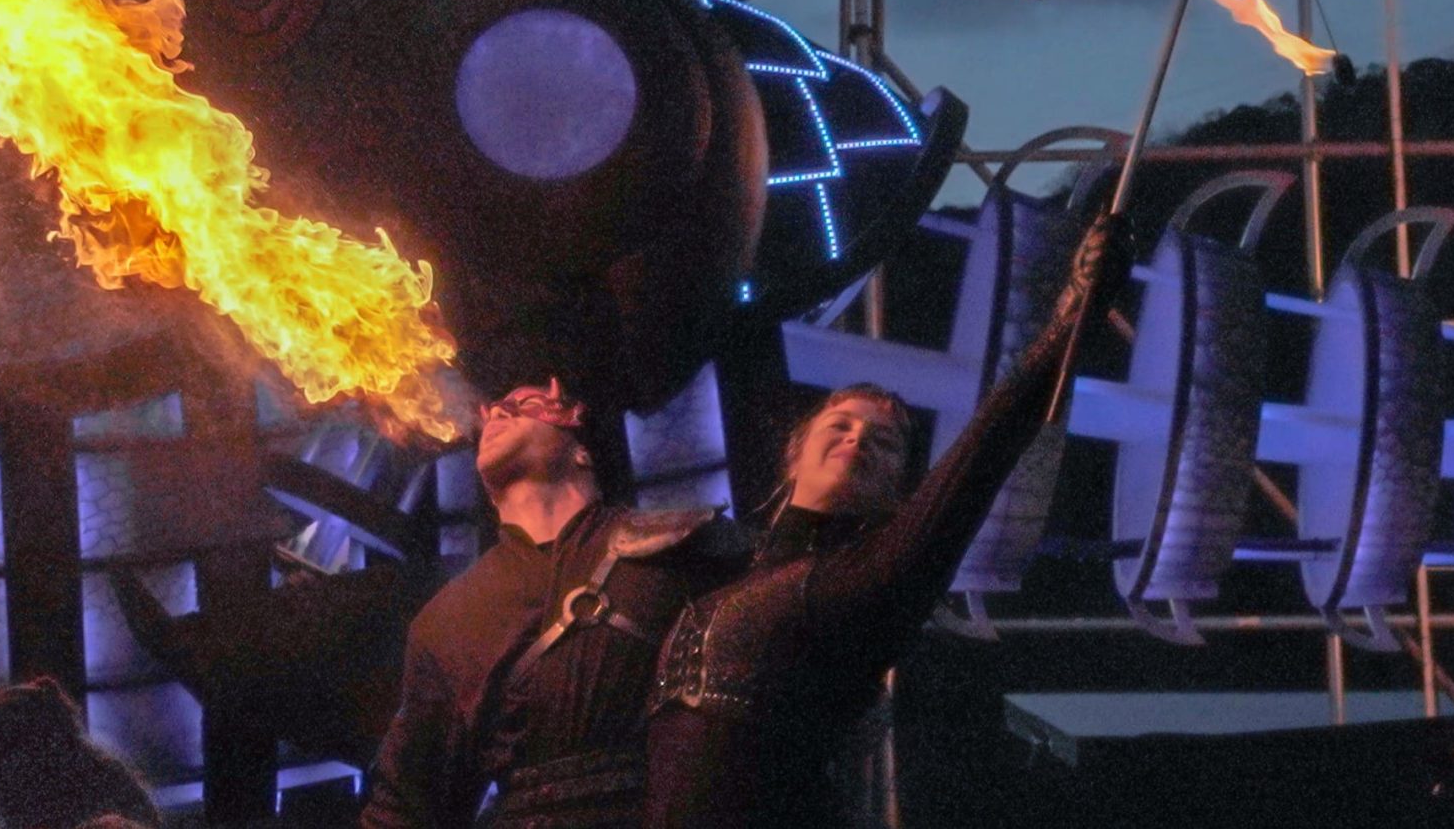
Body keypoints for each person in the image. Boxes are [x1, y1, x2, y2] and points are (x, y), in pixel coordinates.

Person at [643, 207, 1135, 829]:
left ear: (900, 488)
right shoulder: (725, 565)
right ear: (795, 451)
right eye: (841, 424)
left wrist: (1069, 318)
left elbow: (983, 452)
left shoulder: (877, 576)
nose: (858, 439)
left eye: (884, 442)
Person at [361, 378, 746, 829]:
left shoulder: (680, 542)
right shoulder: (446, 620)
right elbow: (405, 804)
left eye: (526, 403)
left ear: (582, 451)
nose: (497, 412)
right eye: (496, 409)